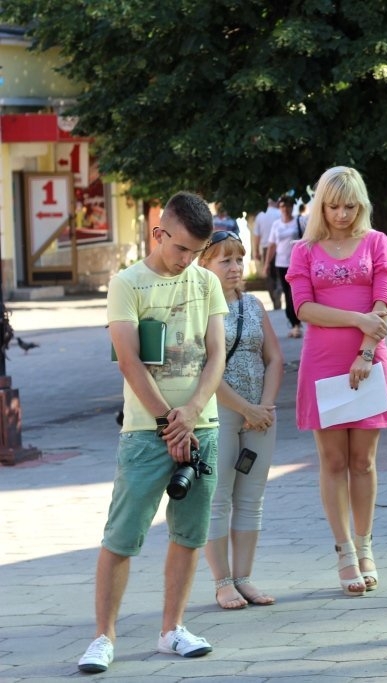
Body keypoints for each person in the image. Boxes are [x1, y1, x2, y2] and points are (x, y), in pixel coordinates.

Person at [78, 192, 228, 674]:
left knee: (189, 535)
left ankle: (172, 630)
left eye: (197, 252)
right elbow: (129, 361)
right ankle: (103, 637)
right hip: (147, 433)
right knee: (122, 536)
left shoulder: (207, 282)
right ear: (158, 233)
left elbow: (216, 354)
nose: (188, 260)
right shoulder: (127, 283)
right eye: (181, 248)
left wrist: (193, 411)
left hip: (201, 429)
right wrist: (169, 421)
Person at [286, 166, 387, 596]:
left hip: (368, 359)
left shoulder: (377, 242)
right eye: (333, 206)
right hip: (323, 362)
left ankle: (366, 546)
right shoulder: (304, 250)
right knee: (332, 461)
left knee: (363, 461)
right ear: (321, 205)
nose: (342, 214)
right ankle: (344, 550)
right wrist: (357, 319)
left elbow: (383, 302)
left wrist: (366, 351)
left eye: (350, 205)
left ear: (361, 204)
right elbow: (304, 309)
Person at [198, 231, 284, 610]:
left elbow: (275, 358)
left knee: (251, 498)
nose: (235, 268)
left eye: (238, 259)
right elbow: (204, 369)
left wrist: (264, 406)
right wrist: (246, 409)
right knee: (218, 498)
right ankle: (223, 582)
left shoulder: (253, 304)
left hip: (261, 416)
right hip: (220, 413)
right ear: (205, 264)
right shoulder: (200, 308)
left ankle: (244, 578)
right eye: (225, 261)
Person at [264, 196, 304, 338]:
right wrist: (267, 263)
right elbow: (272, 245)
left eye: (288, 206)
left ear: (292, 207)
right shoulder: (276, 224)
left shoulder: (299, 221)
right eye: (282, 206)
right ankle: (294, 323)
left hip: (296, 264)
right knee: (287, 294)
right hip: (281, 264)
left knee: (294, 294)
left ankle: (296, 323)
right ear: (279, 208)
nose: (285, 209)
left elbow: (308, 241)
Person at [253, 197, 282, 310]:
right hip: (280, 248)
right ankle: (279, 288)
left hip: (266, 248)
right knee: (280, 272)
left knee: (269, 276)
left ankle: (275, 300)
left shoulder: (260, 216)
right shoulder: (280, 213)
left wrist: (256, 251)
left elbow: (257, 236)